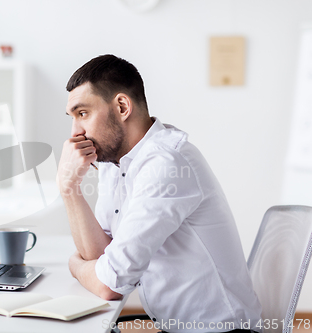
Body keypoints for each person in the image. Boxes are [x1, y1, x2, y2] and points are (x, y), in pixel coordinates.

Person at [56, 54, 262, 332]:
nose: (75, 133)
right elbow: (101, 256)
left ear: (121, 106)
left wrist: (74, 265)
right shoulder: (115, 163)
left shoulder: (166, 164)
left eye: (83, 114)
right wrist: (69, 189)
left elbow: (109, 284)